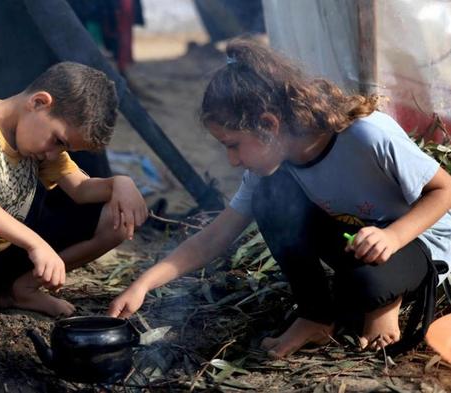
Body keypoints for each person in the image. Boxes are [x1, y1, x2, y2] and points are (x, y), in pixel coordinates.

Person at [108, 38, 451, 358]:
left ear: (269, 124)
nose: (233, 160)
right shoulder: (274, 167)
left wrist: (392, 236)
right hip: (358, 241)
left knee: (366, 285)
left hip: (420, 238)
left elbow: (444, 190)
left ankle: (385, 302)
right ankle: (316, 316)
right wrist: (144, 284)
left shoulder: (366, 134)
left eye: (234, 145)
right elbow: (215, 236)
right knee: (272, 198)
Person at [0, 62, 148, 351]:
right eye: (58, 141)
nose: (54, 153)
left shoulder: (40, 142)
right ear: (39, 103)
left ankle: (21, 289)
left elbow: (80, 189)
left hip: (9, 257)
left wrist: (120, 184)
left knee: (115, 219)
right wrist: (36, 243)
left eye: (63, 149)